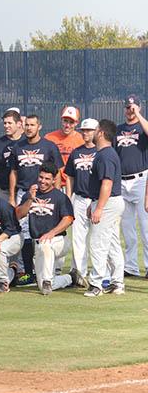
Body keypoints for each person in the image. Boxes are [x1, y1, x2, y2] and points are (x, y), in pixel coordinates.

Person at [8, 114, 63, 281]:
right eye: (27, 125)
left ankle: (52, 269)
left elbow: (58, 171)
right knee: (24, 231)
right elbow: (14, 172)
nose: (29, 128)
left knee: (46, 230)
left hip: (46, 193)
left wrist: (57, 192)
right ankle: (27, 271)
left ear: (39, 126)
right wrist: (12, 196)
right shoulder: (18, 147)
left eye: (32, 125)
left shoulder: (49, 146)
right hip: (24, 192)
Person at [15, 163, 75, 295]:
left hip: (59, 241)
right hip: (38, 243)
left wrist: (51, 233)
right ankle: (70, 278)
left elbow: (68, 219)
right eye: (41, 177)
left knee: (45, 244)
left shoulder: (60, 197)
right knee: (43, 287)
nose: (43, 181)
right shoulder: (30, 194)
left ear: (54, 180)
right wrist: (30, 199)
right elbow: (19, 214)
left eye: (47, 179)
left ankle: (47, 280)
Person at [85, 120, 125, 297]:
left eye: (94, 130)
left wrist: (99, 208)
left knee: (98, 244)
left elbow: (107, 183)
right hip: (110, 202)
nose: (92, 133)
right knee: (112, 244)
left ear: (100, 132)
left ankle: (96, 284)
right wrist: (93, 204)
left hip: (108, 204)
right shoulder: (107, 153)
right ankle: (117, 283)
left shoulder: (105, 155)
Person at [115, 95, 148, 278]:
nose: (130, 110)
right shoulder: (119, 130)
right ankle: (131, 266)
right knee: (127, 227)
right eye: (127, 107)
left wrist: (139, 115)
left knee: (146, 226)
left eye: (133, 107)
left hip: (142, 180)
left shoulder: (142, 128)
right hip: (122, 181)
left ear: (139, 108)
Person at [64, 118, 99, 287]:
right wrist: (69, 198)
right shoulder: (76, 152)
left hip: (96, 200)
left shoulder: (102, 152)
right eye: (84, 130)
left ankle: (101, 274)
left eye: (89, 130)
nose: (86, 133)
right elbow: (69, 176)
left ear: (97, 131)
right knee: (78, 239)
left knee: (98, 239)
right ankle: (80, 274)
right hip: (79, 198)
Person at [0, 108, 24, 200]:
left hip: (24, 190)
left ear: (19, 124)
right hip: (5, 191)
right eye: (5, 123)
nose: (6, 126)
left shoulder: (26, 142)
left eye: (10, 123)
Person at [44, 106, 83, 188]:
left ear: (77, 123)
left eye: (71, 122)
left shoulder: (81, 140)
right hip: (53, 185)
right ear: (61, 120)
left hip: (74, 185)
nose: (67, 125)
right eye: (65, 121)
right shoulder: (49, 138)